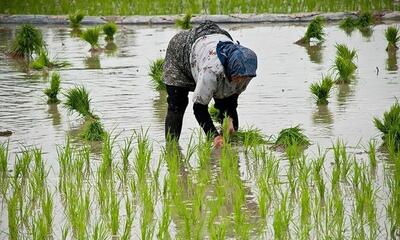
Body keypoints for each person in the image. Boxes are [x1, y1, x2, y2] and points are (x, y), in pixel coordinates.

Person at [163, 21, 257, 147]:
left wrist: (229, 120)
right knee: (177, 104)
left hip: (212, 40)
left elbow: (231, 100)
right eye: (238, 77)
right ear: (230, 70)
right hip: (181, 52)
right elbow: (199, 108)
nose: (241, 81)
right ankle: (171, 148)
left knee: (226, 106)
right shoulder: (212, 71)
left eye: (245, 78)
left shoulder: (246, 69)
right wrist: (214, 136)